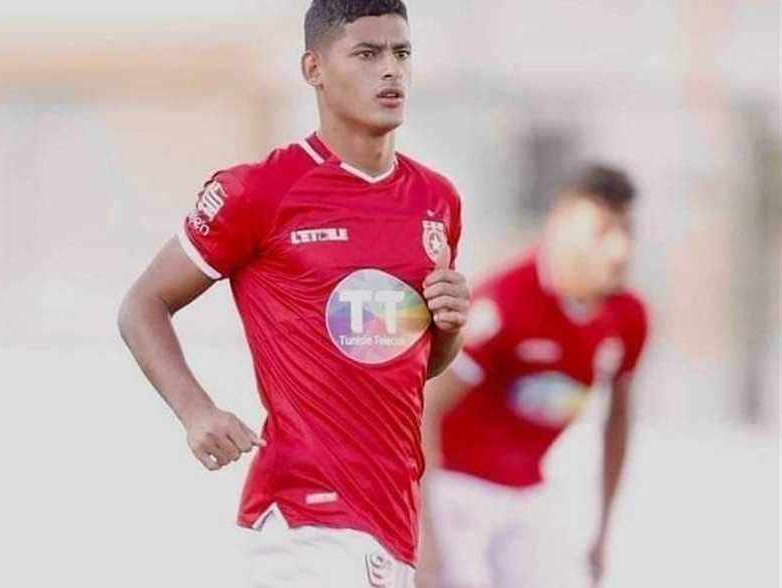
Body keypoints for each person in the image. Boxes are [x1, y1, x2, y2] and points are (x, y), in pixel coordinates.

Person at [117, 1, 470, 586]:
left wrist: (451, 325)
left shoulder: (436, 200)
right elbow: (142, 304)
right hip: (305, 521)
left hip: (390, 519)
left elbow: (410, 364)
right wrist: (196, 411)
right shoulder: (260, 192)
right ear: (314, 69)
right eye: (367, 53)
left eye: (402, 52)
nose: (391, 70)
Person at [418, 165, 648, 588]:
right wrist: (423, 530)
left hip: (529, 490)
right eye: (602, 232)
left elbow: (618, 421)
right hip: (458, 490)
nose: (619, 250)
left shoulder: (627, 317)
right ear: (560, 228)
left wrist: (603, 530)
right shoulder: (504, 304)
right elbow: (424, 407)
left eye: (626, 232)